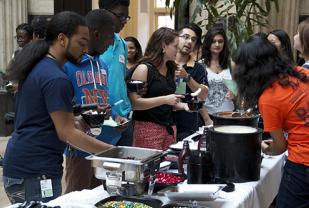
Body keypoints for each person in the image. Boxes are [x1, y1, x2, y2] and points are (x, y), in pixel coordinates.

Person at [2, 11, 113, 204]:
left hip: (25, 166)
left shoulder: (41, 65)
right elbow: (67, 133)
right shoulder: (56, 77)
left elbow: (43, 119)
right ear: (62, 39)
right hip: (35, 171)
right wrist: (112, 151)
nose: (85, 49)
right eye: (81, 42)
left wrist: (79, 119)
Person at [233, 35, 309, 208]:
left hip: (303, 166)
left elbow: (279, 147)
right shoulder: (302, 73)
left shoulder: (268, 98)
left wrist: (264, 147)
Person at [63, 9, 117, 194]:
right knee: (75, 198)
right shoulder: (68, 64)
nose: (111, 42)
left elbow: (102, 97)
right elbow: (61, 106)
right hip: (78, 148)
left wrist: (108, 111)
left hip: (101, 143)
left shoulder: (102, 65)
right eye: (110, 36)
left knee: (100, 196)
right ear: (96, 34)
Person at [129, 27, 188, 150]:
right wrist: (165, 99)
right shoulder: (144, 69)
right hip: (147, 128)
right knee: (149, 168)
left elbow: (172, 100)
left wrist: (184, 106)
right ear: (163, 46)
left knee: (167, 168)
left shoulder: (171, 69)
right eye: (175, 46)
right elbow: (135, 104)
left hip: (169, 128)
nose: (177, 51)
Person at [99, 0, 133, 146]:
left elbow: (119, 78)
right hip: (103, 118)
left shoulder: (122, 44)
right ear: (104, 12)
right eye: (120, 16)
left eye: (126, 17)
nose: (124, 21)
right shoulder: (90, 44)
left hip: (124, 117)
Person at [174, 23, 208, 140]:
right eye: (186, 37)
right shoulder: (165, 63)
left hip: (188, 127)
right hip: (163, 123)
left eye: (193, 40)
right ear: (176, 37)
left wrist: (186, 77)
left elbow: (203, 95)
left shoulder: (199, 68)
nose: (189, 42)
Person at [200, 26, 234, 125]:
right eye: (213, 41)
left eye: (220, 41)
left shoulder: (231, 65)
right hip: (209, 116)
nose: (217, 44)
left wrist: (234, 94)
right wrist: (206, 119)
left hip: (229, 115)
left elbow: (235, 92)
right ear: (208, 43)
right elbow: (198, 96)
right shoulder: (200, 66)